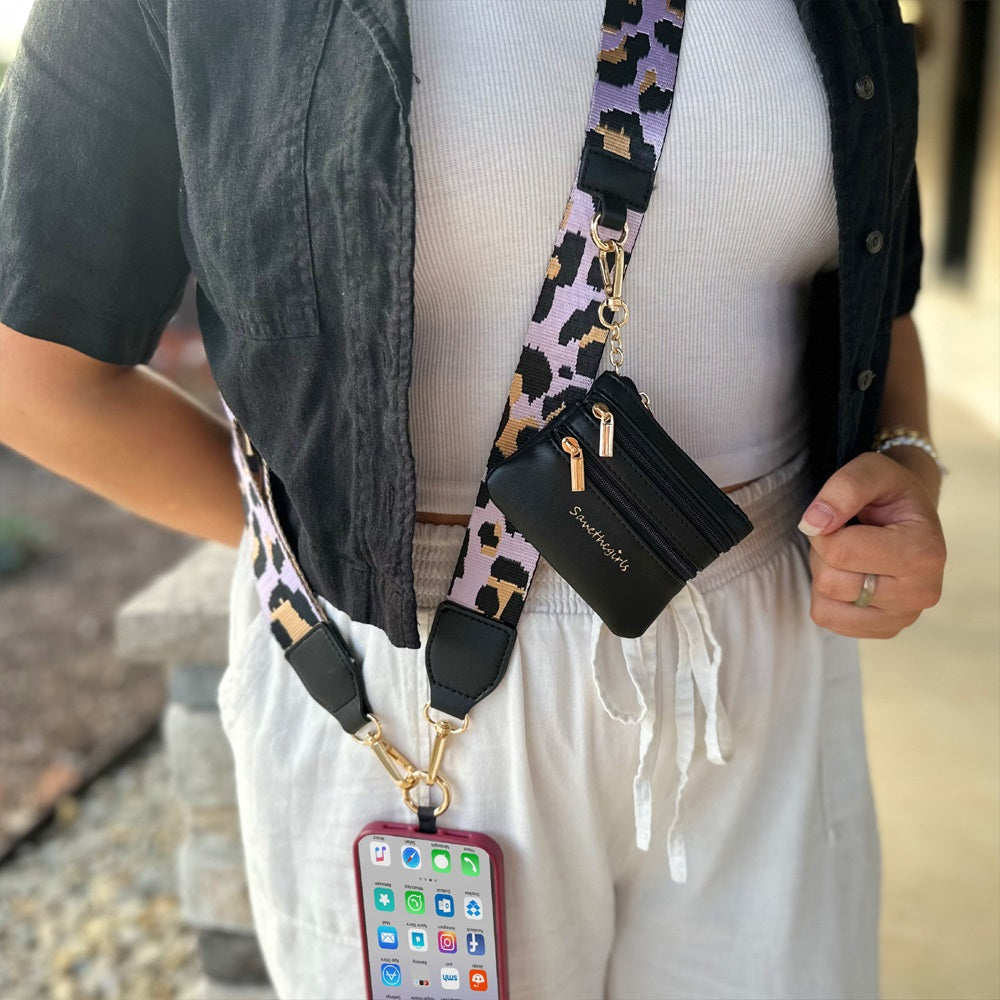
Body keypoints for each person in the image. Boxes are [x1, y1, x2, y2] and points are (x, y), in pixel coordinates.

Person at [0, 1, 945, 997]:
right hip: (397, 680)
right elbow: (36, 372)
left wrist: (907, 462)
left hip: (771, 657)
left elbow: (877, 296)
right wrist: (330, 539)